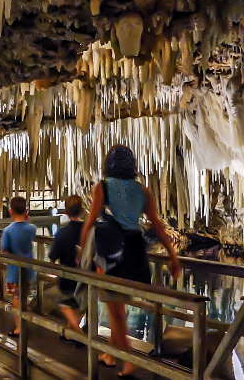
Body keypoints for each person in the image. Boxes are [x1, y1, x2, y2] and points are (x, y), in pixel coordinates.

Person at [80, 145, 181, 378]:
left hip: (113, 254)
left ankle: (129, 362)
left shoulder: (102, 188)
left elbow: (91, 220)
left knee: (115, 311)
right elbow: (157, 225)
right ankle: (111, 354)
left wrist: (82, 251)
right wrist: (173, 256)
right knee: (118, 307)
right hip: (136, 252)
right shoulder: (143, 191)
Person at [48, 194, 86, 341]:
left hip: (67, 279)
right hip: (87, 278)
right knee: (80, 304)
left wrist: (53, 272)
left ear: (66, 212)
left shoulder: (62, 234)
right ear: (82, 210)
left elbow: (52, 257)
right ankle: (70, 332)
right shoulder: (89, 231)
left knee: (65, 304)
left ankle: (79, 335)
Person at [1, 196, 36, 336]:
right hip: (28, 268)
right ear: (26, 210)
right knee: (24, 296)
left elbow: (4, 250)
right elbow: (30, 227)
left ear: (10, 211)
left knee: (16, 298)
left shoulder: (8, 231)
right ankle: (24, 322)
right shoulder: (31, 228)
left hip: (14, 271)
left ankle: (19, 327)